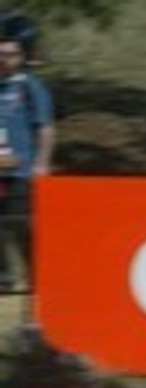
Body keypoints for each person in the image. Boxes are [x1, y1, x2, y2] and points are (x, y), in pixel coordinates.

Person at [0, 37, 51, 294]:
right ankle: (5, 277)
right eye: (0, 54)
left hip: (21, 169)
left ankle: (37, 276)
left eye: (9, 54)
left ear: (20, 58)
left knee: (20, 224)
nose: (3, 59)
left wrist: (41, 162)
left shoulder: (29, 87)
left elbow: (45, 126)